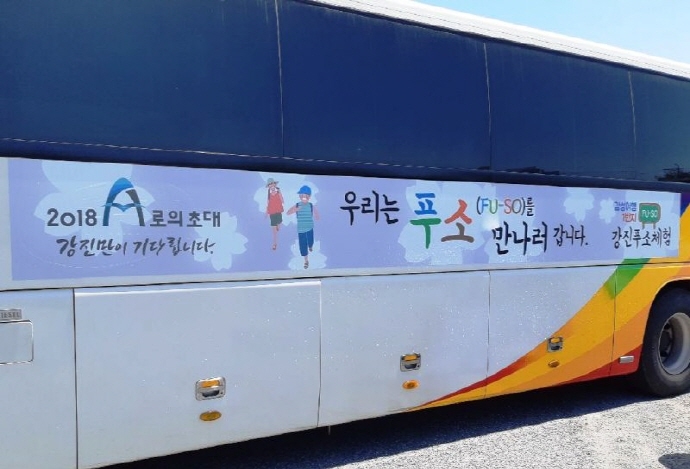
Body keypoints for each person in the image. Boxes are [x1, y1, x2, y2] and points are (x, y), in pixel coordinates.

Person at [287, 185, 319, 269]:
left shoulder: (311, 205)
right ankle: (306, 260)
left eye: (306, 196)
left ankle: (310, 246)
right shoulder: (297, 205)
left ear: (309, 196)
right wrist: (296, 210)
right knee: (303, 245)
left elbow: (316, 214)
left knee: (310, 240)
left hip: (310, 227)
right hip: (301, 229)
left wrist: (316, 216)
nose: (304, 198)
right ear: (300, 196)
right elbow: (288, 212)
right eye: (302, 196)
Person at [265, 178, 284, 250]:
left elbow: (282, 201)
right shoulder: (269, 195)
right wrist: (266, 213)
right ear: (269, 187)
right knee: (274, 231)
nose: (272, 186)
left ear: (275, 185)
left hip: (278, 212)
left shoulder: (278, 193)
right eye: (270, 185)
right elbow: (268, 204)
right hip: (272, 213)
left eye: (273, 184)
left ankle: (278, 225)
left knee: (279, 223)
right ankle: (274, 243)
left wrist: (280, 192)